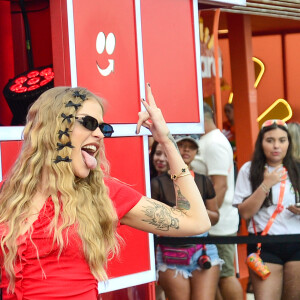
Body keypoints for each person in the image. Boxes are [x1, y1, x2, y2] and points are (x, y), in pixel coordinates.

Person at [0, 85, 211, 299]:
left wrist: (165, 140)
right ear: (53, 127)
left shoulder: (106, 195)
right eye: (90, 123)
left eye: (104, 128)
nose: (100, 134)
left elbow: (196, 222)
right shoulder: (7, 195)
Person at [233, 119, 300, 300]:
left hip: (296, 241)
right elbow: (245, 213)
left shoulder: (296, 169)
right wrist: (266, 184)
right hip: (264, 245)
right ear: (261, 142)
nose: (276, 146)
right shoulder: (250, 169)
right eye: (270, 140)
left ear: (289, 143)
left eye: (282, 140)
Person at [151, 135, 222, 300]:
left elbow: (215, 217)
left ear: (197, 151)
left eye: (192, 146)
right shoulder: (157, 183)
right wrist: (172, 214)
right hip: (170, 251)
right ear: (172, 148)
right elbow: (150, 220)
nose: (186, 150)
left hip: (202, 249)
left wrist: (195, 211)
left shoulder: (204, 181)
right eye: (182, 145)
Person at [191, 103, 243, 300]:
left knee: (225, 275)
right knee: (213, 276)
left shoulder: (214, 143)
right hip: (211, 222)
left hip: (219, 225)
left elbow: (220, 186)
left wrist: (209, 220)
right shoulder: (208, 140)